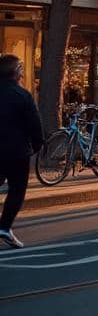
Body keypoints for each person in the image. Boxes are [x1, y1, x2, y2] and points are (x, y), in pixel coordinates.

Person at [0, 55, 43, 248]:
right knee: (17, 189)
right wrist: (37, 145)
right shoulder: (22, 95)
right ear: (16, 72)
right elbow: (34, 124)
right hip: (16, 151)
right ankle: (5, 226)